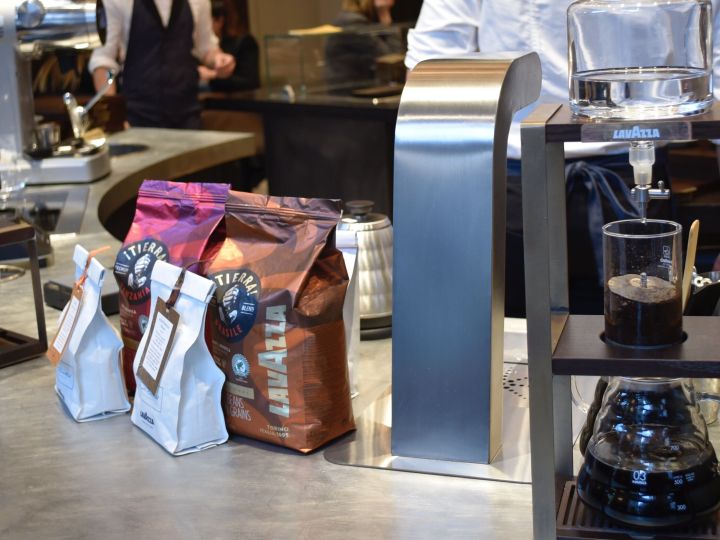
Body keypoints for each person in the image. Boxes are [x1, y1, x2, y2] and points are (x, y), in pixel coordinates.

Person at [405, 0, 720, 317]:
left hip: (634, 179)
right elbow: (432, 73)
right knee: (518, 333)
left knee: (644, 329)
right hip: (515, 183)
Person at [89, 0, 236, 129]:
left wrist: (218, 59)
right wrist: (114, 116)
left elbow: (206, 48)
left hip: (186, 112)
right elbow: (103, 61)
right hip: (137, 115)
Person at [325, 0, 404, 88]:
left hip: (353, 90)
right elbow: (391, 58)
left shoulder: (351, 19)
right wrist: (384, 14)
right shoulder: (353, 22)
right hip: (351, 92)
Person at [198, 0, 260, 92]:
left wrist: (212, 76)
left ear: (219, 20)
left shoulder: (245, 43)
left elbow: (250, 82)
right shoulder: (193, 46)